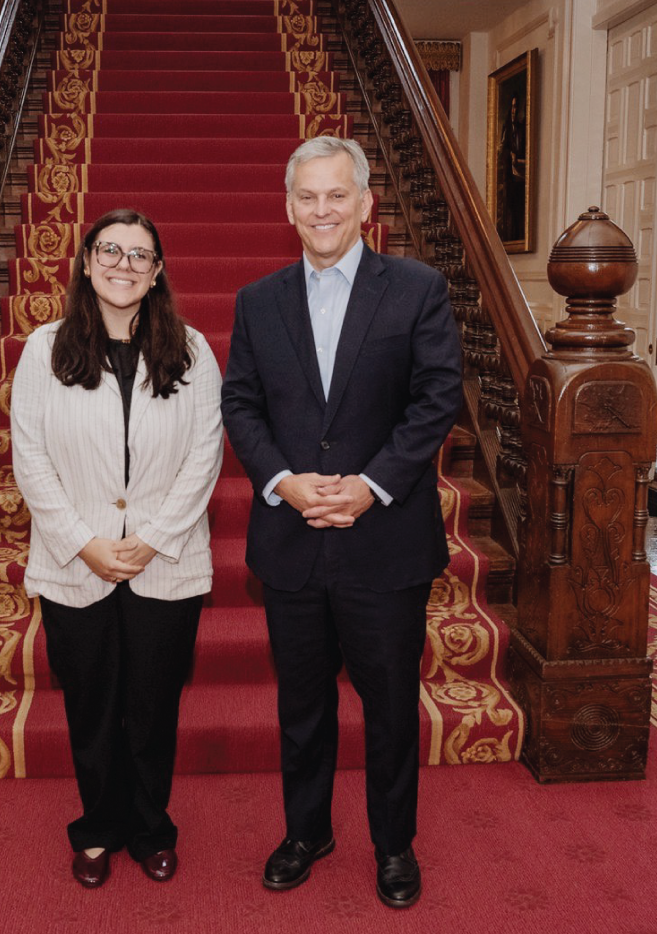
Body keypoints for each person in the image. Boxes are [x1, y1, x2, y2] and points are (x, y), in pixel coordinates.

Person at [220, 137, 463, 909]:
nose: (321, 210)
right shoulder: (258, 301)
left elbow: (436, 398)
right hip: (291, 540)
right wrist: (284, 483)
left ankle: (394, 846)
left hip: (385, 541)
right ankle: (307, 832)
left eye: (335, 195)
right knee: (302, 705)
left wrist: (371, 486)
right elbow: (240, 404)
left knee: (389, 707)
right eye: (307, 196)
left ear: (365, 203)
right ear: (288, 206)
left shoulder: (417, 289)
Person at [9, 209, 223, 888]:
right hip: (77, 562)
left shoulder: (192, 350)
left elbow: (205, 456)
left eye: (139, 255)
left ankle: (152, 827)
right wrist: (84, 543)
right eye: (110, 250)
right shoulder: (44, 350)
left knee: (153, 706)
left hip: (167, 560)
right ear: (85, 260)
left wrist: (152, 540)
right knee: (92, 705)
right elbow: (30, 458)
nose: (123, 265)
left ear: (156, 272)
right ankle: (98, 828)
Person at [498, 93, 527, 242]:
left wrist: (519, 160)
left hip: (520, 178)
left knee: (519, 212)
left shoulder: (522, 129)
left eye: (516, 107)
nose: (514, 111)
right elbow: (501, 151)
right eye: (512, 107)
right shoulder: (507, 129)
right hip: (510, 178)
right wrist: (509, 154)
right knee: (509, 213)